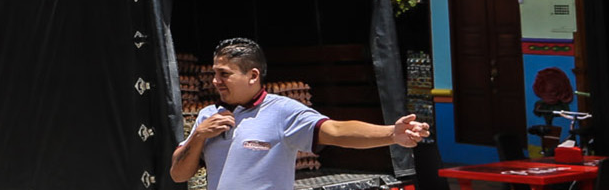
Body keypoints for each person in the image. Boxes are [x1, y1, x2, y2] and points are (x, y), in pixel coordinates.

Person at [170, 37, 429, 190]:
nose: (215, 81)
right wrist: (199, 137)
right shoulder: (207, 116)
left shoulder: (282, 111)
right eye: (214, 73)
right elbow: (178, 174)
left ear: (253, 76)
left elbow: (337, 131)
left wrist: (392, 134)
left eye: (224, 74)